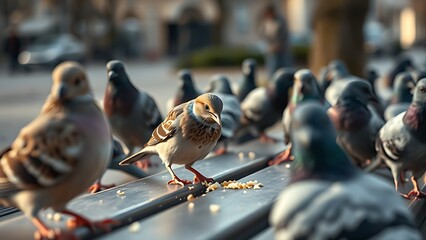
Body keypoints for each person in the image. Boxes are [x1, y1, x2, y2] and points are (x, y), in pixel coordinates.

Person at [259, 4, 291, 78]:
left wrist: (280, 45)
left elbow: (284, 35)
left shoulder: (280, 21)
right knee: (272, 70)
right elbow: (263, 35)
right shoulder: (265, 22)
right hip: (271, 51)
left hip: (282, 50)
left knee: (285, 70)